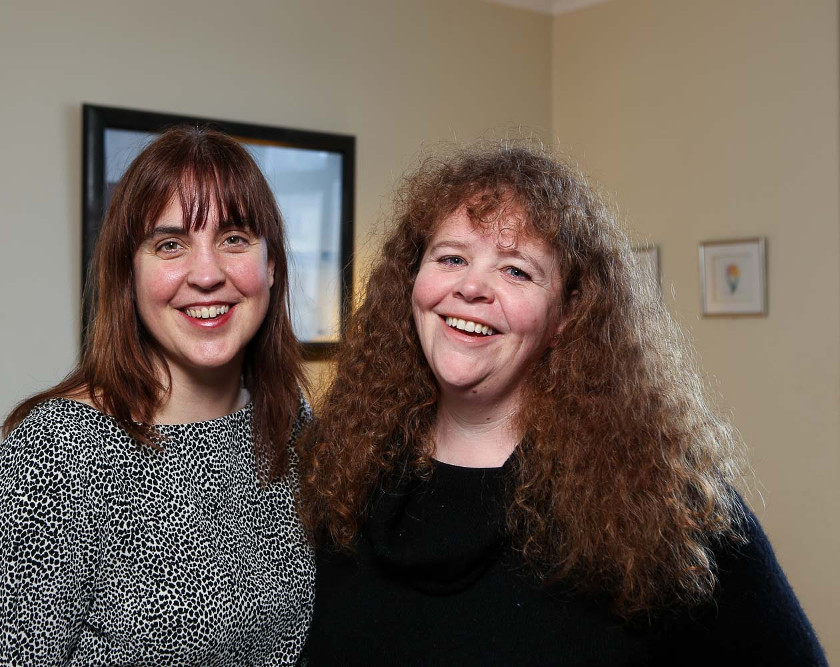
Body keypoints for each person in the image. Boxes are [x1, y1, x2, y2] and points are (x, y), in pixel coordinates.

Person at [298, 142, 826, 665]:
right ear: (412, 283)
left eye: (516, 271)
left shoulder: (665, 510)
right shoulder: (339, 475)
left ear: (567, 316)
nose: (472, 287)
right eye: (452, 257)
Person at [0, 127, 313, 666]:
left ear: (272, 266)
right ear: (129, 274)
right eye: (170, 244)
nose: (207, 274)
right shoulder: (55, 455)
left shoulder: (292, 424)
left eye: (234, 238)